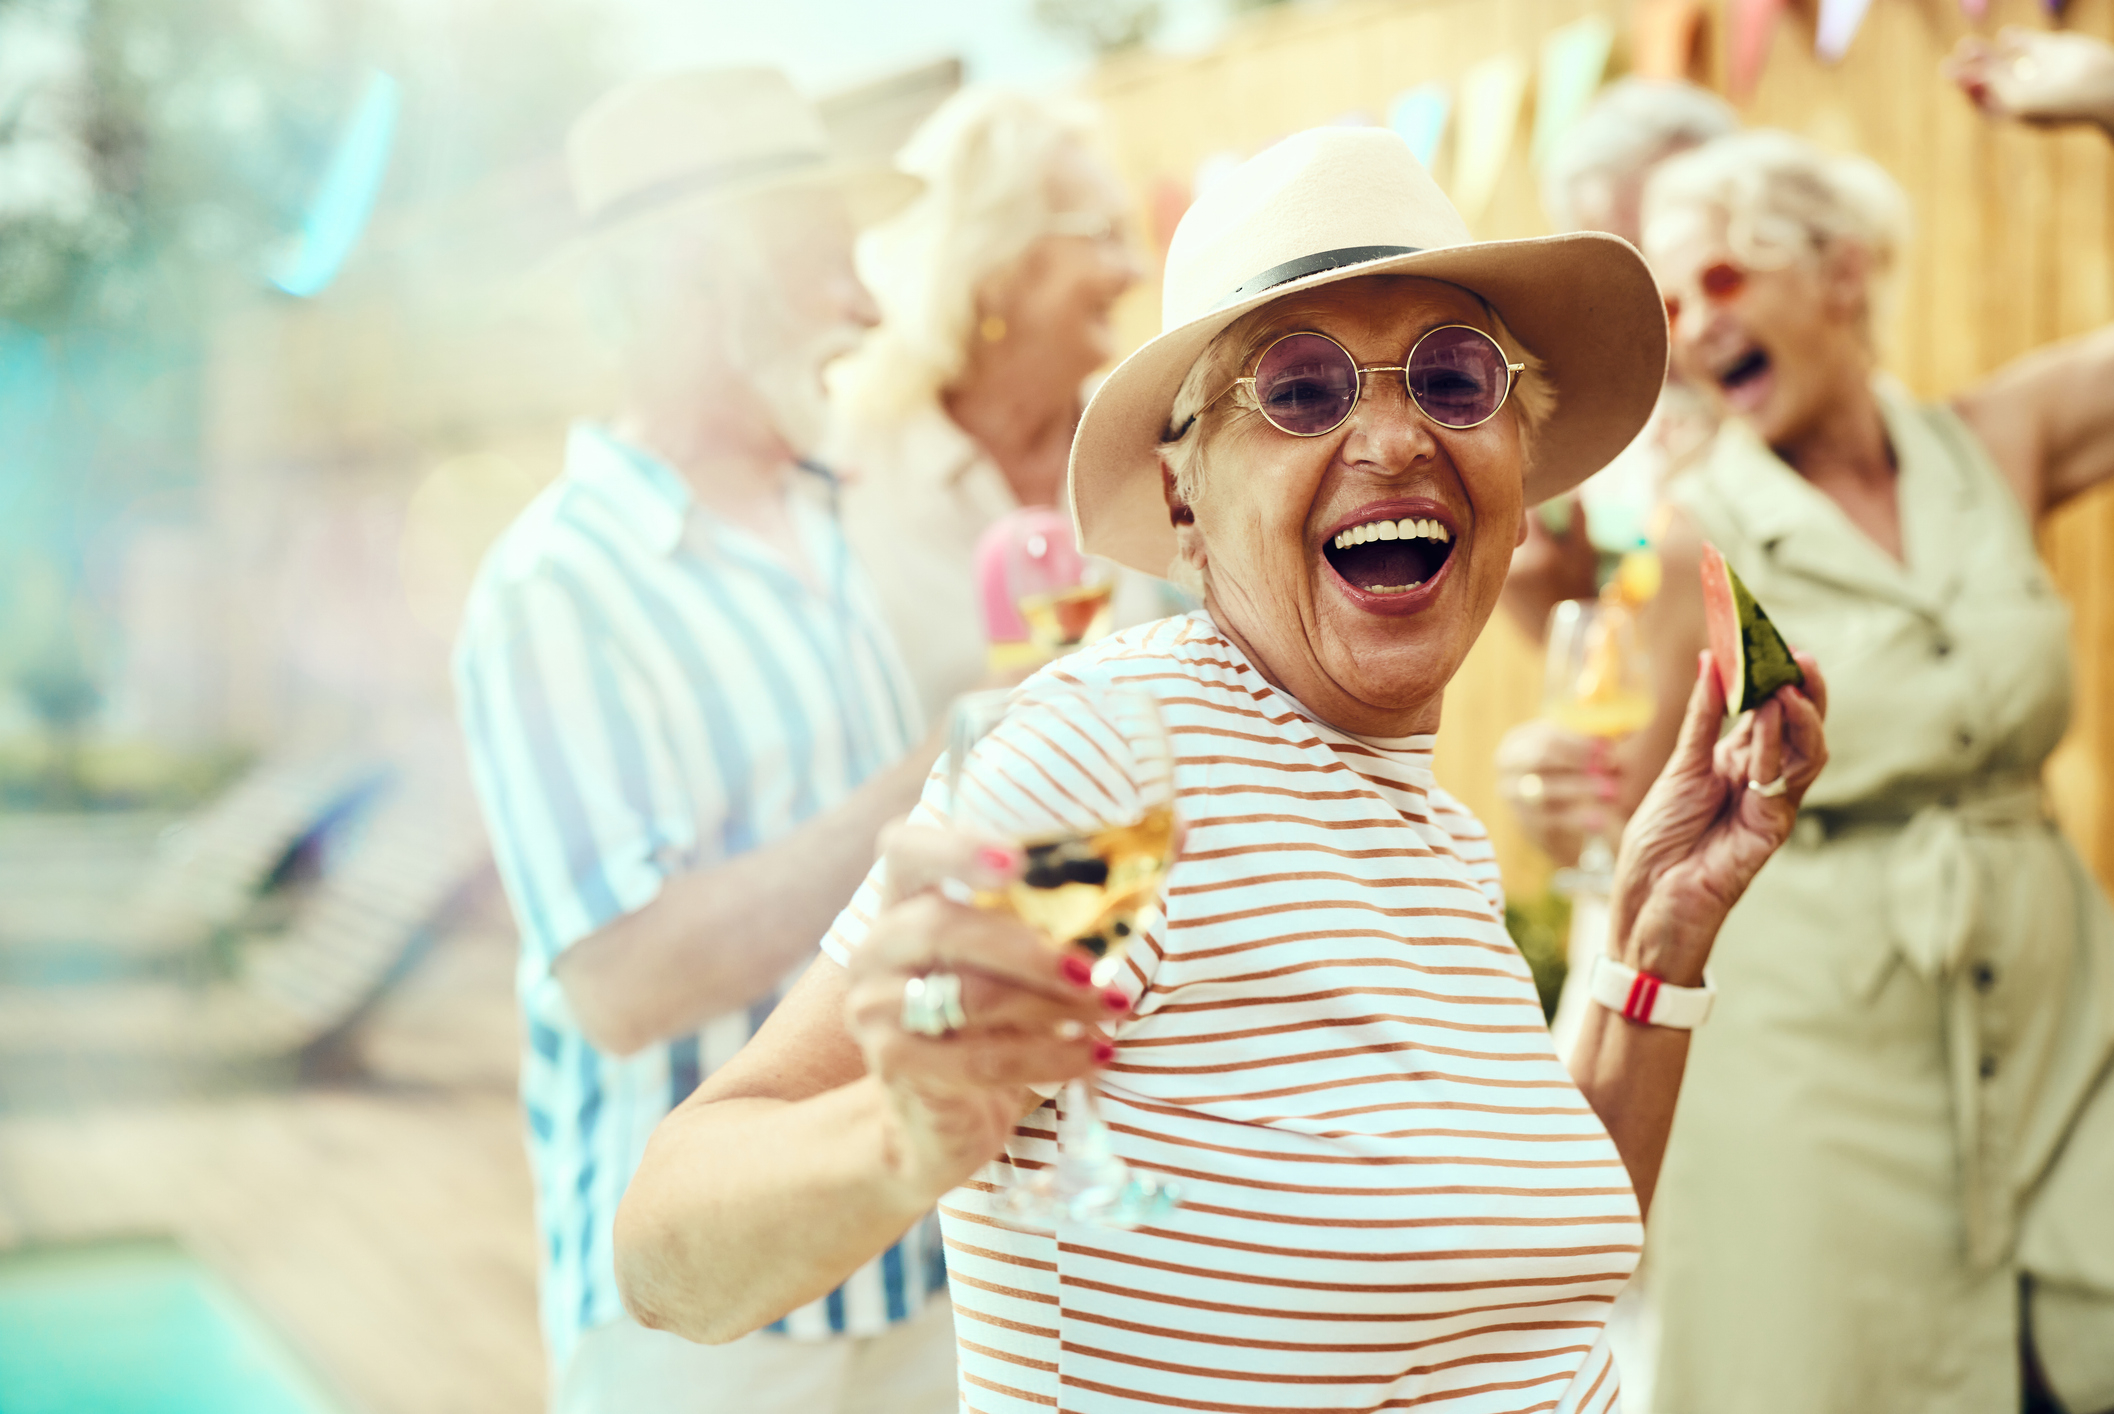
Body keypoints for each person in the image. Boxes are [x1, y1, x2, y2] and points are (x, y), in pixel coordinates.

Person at [609, 127, 1829, 1413]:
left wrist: (1656, 935)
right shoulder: (1125, 769)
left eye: (1452, 378)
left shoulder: (1431, 833)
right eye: (1300, 390)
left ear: (1517, 473)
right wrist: (904, 1129)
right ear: (1183, 504)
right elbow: (666, 1246)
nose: (1394, 438)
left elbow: (1513, 1285)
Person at [1504, 78, 2114, 1414]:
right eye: (1669, 307)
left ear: (1842, 271)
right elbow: (1617, 794)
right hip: (1815, 1061)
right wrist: (1558, 793)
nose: (1697, 323)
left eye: (1725, 273)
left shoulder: (1994, 443)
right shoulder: (1682, 545)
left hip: (2067, 1021)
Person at [452, 69, 958, 1413]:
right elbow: (621, 979)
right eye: (821, 256)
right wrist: (917, 799)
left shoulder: (826, 512)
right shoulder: (555, 584)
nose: (866, 302)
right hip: (703, 1326)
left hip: (908, 1260)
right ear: (701, 270)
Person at [827, 88, 1174, 722]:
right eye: (1103, 235)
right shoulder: (848, 470)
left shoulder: (1155, 447)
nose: (1136, 270)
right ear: (997, 261)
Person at [1498, 78, 1737, 644]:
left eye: (1673, 245)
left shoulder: (1806, 402)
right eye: (1620, 263)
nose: (1656, 295)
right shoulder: (1580, 445)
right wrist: (1560, 612)